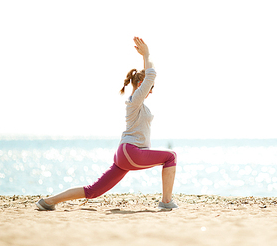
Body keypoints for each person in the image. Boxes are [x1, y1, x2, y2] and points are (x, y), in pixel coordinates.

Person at [36, 37, 178, 211]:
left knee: (93, 191)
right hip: (132, 152)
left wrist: (144, 60)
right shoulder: (135, 101)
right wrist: (147, 55)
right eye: (150, 88)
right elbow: (151, 75)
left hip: (124, 154)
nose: (151, 91)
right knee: (171, 156)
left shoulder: (136, 103)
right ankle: (166, 201)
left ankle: (48, 202)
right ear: (142, 85)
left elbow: (148, 77)